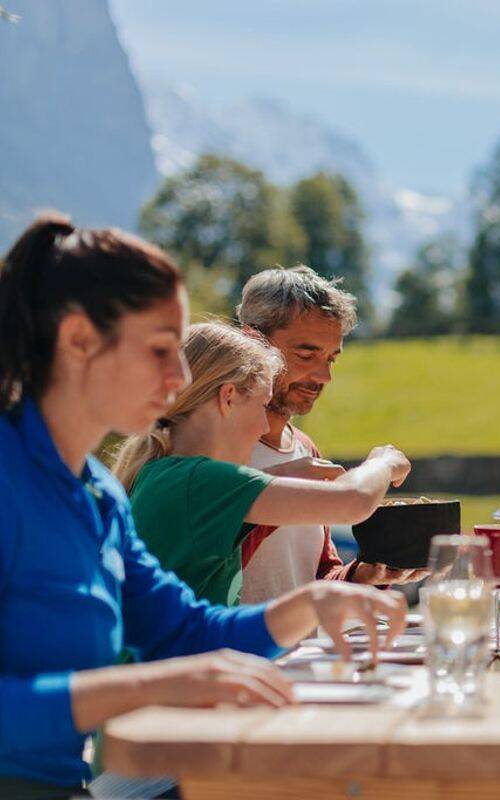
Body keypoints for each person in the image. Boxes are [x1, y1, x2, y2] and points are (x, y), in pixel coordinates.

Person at [0, 215, 406, 797]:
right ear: (79, 340)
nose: (180, 376)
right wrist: (150, 687)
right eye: (162, 348)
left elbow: (183, 631)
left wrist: (314, 601)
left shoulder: (97, 494)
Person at [111, 321, 412, 607]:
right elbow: (353, 501)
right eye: (261, 405)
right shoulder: (200, 480)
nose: (261, 426)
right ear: (227, 397)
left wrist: (286, 473)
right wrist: (383, 462)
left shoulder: (171, 475)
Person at [234, 266, 418, 602]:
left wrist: (364, 575)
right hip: (229, 653)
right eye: (306, 354)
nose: (324, 376)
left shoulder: (305, 449)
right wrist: (381, 465)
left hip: (304, 654)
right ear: (252, 340)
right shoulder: (211, 451)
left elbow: (318, 578)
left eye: (331, 359)